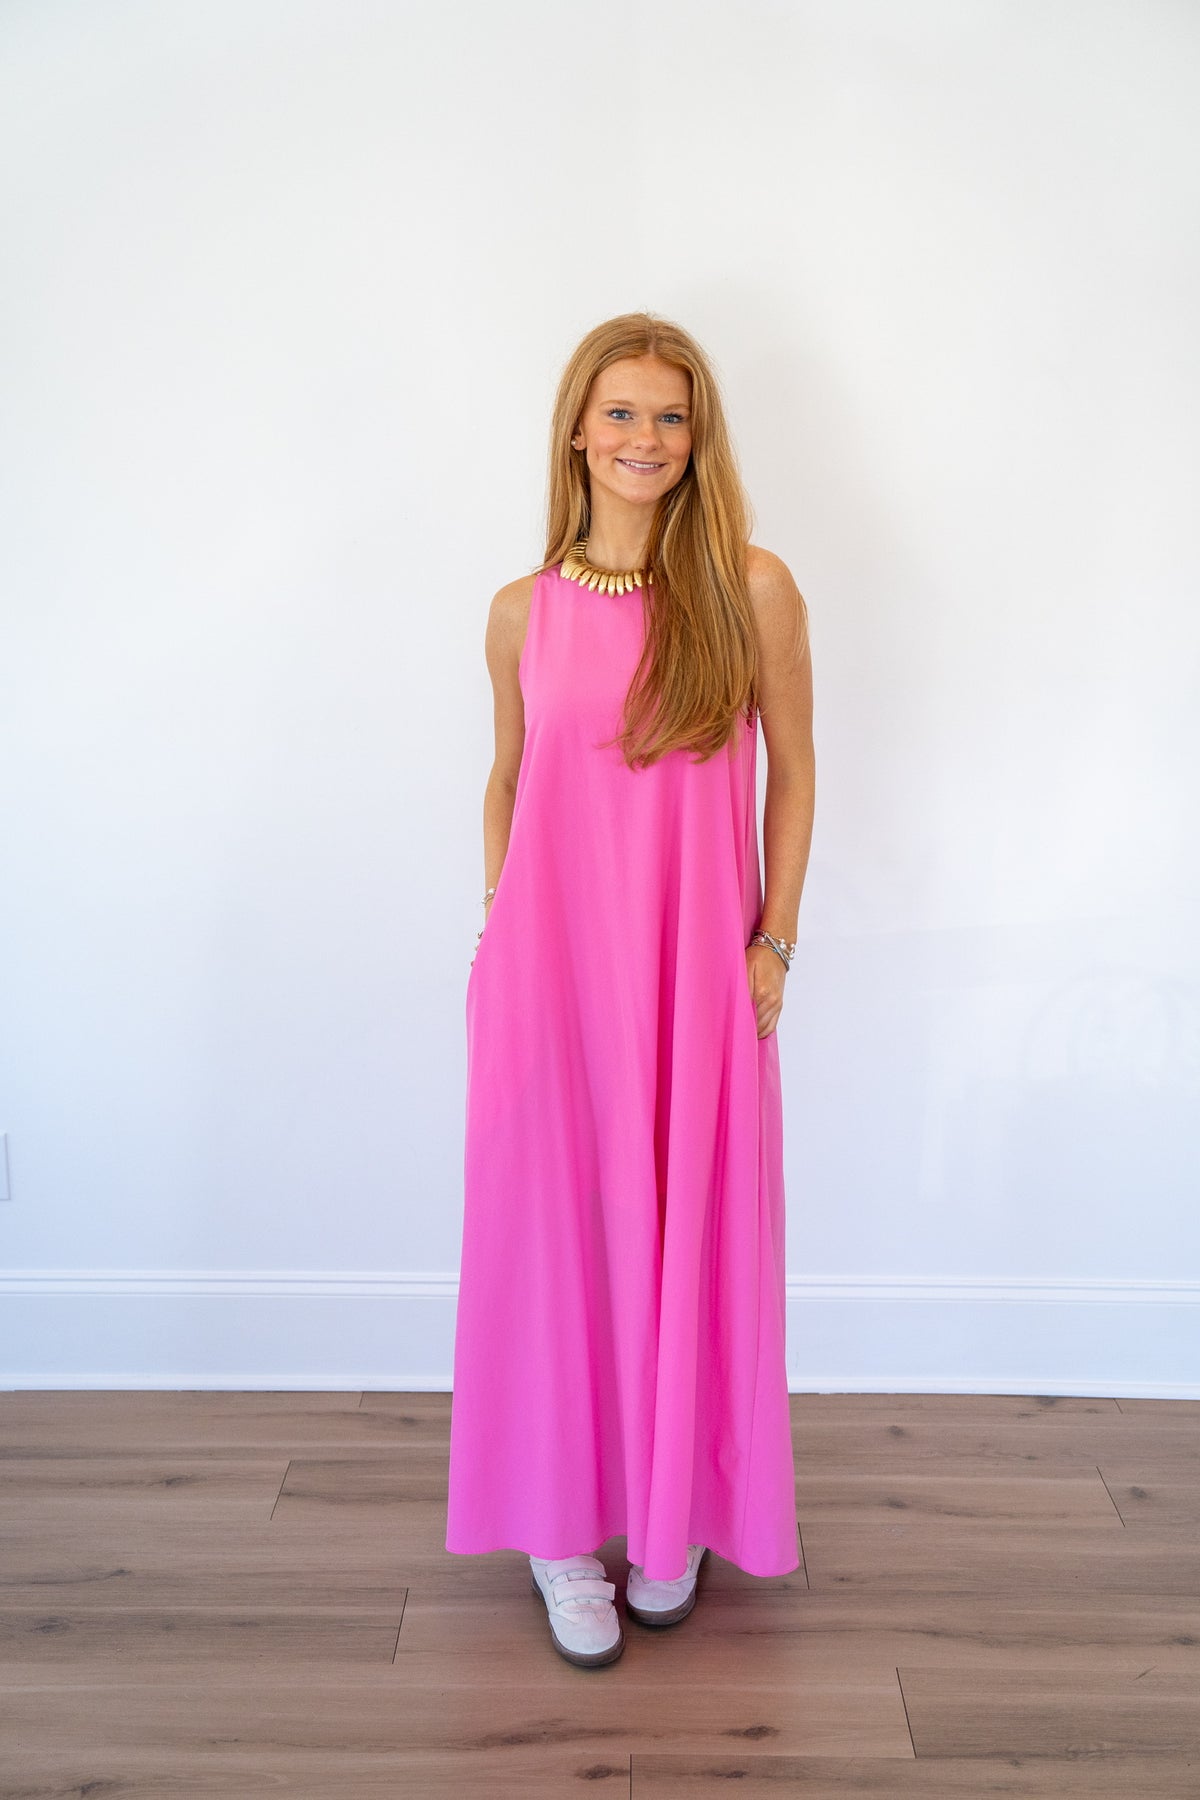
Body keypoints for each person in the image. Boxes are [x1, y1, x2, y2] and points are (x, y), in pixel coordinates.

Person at [445, 311, 815, 1668]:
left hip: (695, 968)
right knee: (551, 1240)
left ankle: (673, 1518)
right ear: (577, 431)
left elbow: (797, 771)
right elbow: (509, 776)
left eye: (670, 414)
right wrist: (498, 923)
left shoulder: (750, 586)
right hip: (545, 972)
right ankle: (559, 1536)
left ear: (696, 436)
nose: (646, 438)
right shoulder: (519, 610)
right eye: (621, 412)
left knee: (691, 1229)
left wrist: (774, 943)